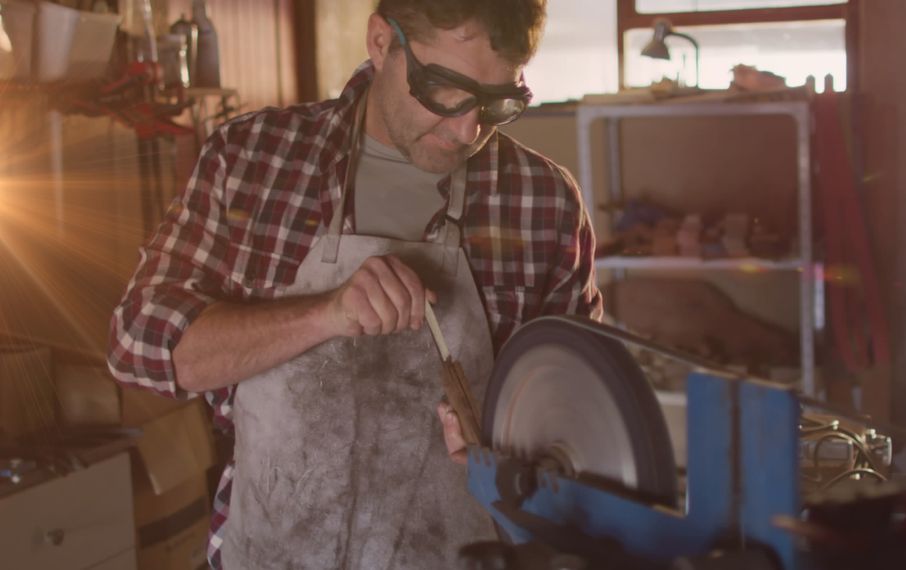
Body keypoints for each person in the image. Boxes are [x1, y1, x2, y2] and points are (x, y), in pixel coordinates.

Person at [107, 0, 601, 567]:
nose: (468, 129)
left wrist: (514, 444)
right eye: (445, 90)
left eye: (499, 102)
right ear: (381, 43)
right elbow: (139, 346)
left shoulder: (544, 202)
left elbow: (580, 418)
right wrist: (324, 315)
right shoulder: (250, 162)